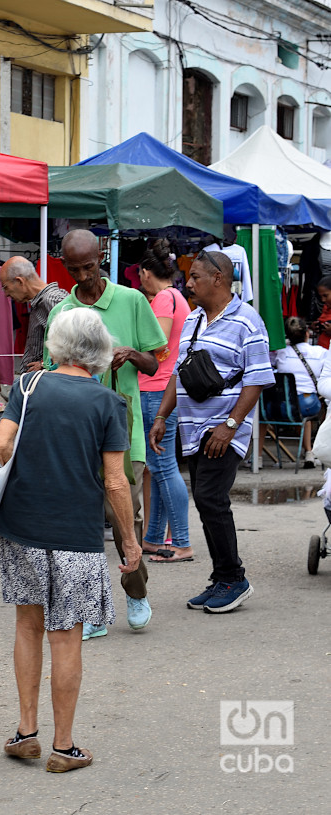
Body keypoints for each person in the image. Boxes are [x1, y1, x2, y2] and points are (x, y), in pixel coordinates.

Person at [0, 307, 141, 773]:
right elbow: (116, 483)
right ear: (100, 351)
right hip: (76, 533)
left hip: (23, 526)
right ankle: (64, 746)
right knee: (67, 636)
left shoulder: (28, 388)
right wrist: (131, 543)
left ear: (55, 344)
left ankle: (25, 732)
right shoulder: (107, 404)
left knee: (28, 626)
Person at [44, 229, 166, 638]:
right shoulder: (62, 312)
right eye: (74, 270)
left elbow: (156, 363)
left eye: (89, 266)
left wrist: (130, 354)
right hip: (75, 429)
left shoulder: (131, 301)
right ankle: (91, 608)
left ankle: (135, 590)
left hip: (122, 423)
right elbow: (50, 370)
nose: (83, 276)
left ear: (103, 257)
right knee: (80, 522)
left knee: (123, 515)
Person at [149, 251, 273, 614]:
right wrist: (161, 416)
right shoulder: (194, 319)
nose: (189, 283)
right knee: (205, 501)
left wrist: (231, 426)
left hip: (223, 428)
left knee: (210, 498)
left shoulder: (248, 321)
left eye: (196, 277)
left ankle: (234, 579)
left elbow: (258, 379)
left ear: (218, 279)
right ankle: (222, 578)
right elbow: (178, 372)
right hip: (192, 428)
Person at [136, 239, 193, 563]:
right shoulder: (178, 297)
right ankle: (154, 538)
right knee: (159, 466)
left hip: (156, 389)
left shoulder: (163, 299)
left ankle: (182, 541)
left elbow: (157, 347)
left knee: (163, 466)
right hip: (164, 389)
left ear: (146, 273)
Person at [267, 316, 325, 467]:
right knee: (306, 409)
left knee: (261, 415)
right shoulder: (319, 353)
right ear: (307, 333)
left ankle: (257, 457)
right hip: (307, 405)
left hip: (280, 409)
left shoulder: (280, 353)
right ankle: (309, 452)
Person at [0, 256, 67, 375]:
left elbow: (73, 346)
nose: (6, 294)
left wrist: (44, 364)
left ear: (20, 281)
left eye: (6, 287)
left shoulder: (52, 301)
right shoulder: (41, 302)